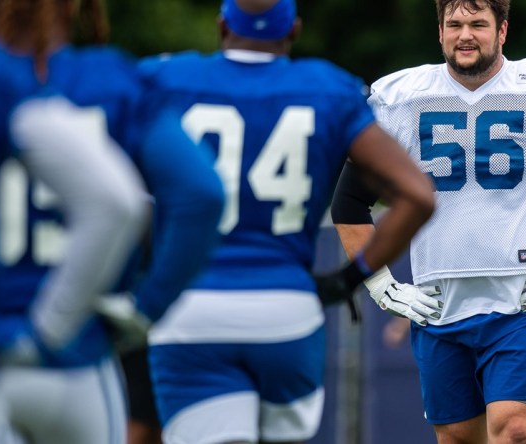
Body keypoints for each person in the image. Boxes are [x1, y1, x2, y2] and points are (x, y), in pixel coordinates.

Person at [330, 1, 526, 442]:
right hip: (440, 303)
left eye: (478, 23)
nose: (465, 35)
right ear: (439, 32)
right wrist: (381, 287)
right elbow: (348, 205)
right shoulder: (402, 97)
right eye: (454, 24)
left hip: (522, 300)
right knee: (457, 436)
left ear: (503, 31)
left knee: (513, 430)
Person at [139, 1, 438, 442]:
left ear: (221, 26)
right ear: (294, 30)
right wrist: (348, 278)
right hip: (286, 309)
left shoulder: (168, 78)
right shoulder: (327, 88)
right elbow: (416, 195)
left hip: (190, 307)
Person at [0, 0, 226, 442]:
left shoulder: (3, 82)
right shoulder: (109, 78)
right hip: (76, 352)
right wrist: (146, 308)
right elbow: (200, 194)